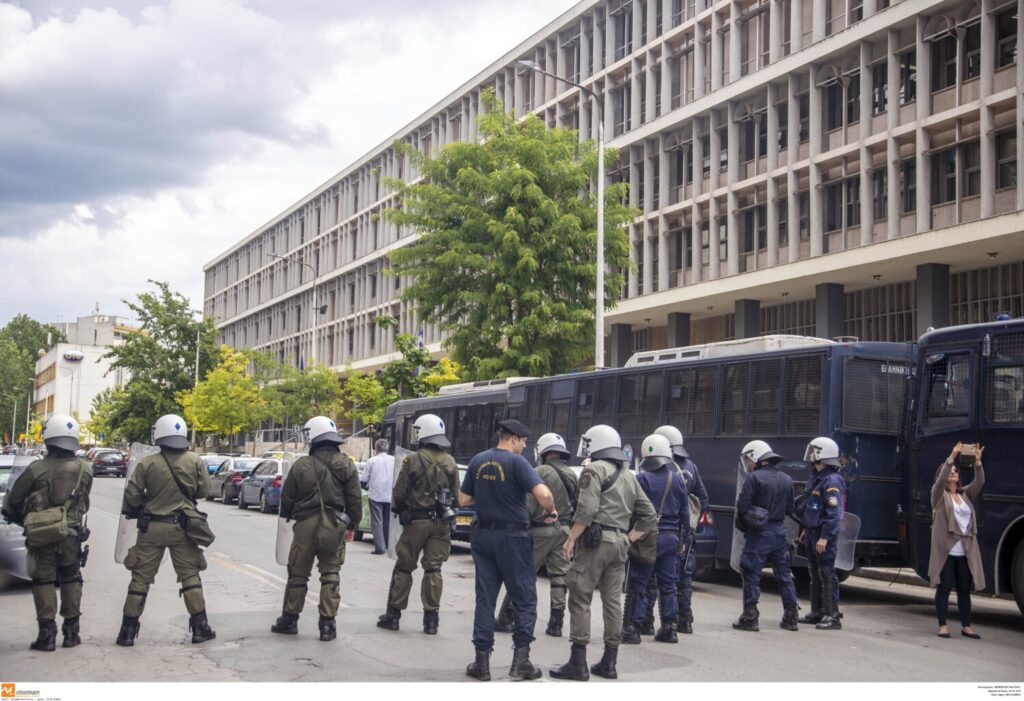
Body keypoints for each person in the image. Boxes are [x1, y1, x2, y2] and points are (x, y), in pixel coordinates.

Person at [549, 425, 657, 682]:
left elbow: (586, 510)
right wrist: (628, 538)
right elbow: (649, 515)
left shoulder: (593, 469)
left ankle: (578, 661)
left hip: (596, 543)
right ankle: (609, 661)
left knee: (579, 595)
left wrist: (571, 539)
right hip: (620, 543)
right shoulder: (629, 475)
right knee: (612, 602)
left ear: (596, 444)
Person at [461, 419, 555, 682]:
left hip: (483, 536)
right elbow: (544, 496)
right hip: (513, 538)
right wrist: (551, 509)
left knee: (485, 599)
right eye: (523, 440)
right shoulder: (517, 463)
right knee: (525, 599)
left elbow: (464, 499)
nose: (525, 445)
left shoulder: (478, 460)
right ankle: (521, 663)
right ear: (513, 438)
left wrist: (491, 496)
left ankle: (482, 664)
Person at [116, 414, 216, 646]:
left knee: (140, 578)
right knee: (190, 576)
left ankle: (127, 632)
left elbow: (131, 496)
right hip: (183, 528)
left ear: (159, 434)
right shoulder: (195, 460)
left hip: (152, 528)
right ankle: (200, 628)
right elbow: (203, 492)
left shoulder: (147, 462)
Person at [2, 415, 93, 651]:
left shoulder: (37, 468)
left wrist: (23, 519)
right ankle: (72, 633)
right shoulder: (86, 468)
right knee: (72, 579)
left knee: (43, 581)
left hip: (42, 535)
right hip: (71, 534)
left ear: (49, 438)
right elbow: (84, 500)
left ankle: (47, 635)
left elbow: (13, 501)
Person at [271, 416, 363, 641]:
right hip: (334, 525)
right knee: (331, 572)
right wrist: (351, 525)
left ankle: (290, 620)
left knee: (298, 573)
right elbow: (355, 500)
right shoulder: (346, 464)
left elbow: (287, 498)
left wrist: (287, 519)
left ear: (312, 437)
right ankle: (327, 625)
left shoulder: (301, 465)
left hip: (305, 525)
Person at [377, 413, 459, 635]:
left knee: (404, 567)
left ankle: (393, 616)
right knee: (434, 569)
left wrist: (399, 510)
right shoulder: (450, 461)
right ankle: (431, 621)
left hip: (416, 522)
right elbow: (456, 497)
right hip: (440, 523)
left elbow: (400, 492)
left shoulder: (412, 460)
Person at [493, 431, 577, 639]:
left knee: (522, 573)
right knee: (559, 576)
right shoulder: (572, 474)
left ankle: (507, 617)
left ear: (544, 451)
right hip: (564, 530)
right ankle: (556, 623)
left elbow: (528, 503)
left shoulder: (540, 471)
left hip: (540, 530)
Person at [622, 433, 689, 645]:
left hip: (647, 538)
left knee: (639, 582)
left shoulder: (641, 479)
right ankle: (670, 628)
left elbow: (632, 510)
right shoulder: (677, 479)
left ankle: (633, 628)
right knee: (669, 583)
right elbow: (685, 515)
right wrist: (683, 539)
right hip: (671, 538)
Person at [645, 424, 708, 635]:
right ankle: (684, 621)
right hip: (684, 533)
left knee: (655, 579)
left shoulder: (662, 469)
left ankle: (647, 621)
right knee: (683, 578)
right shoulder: (691, 467)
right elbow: (703, 498)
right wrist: (689, 523)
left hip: (660, 531)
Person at [732, 439, 799, 633]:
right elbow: (790, 509)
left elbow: (742, 507)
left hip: (758, 534)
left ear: (755, 457)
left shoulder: (754, 479)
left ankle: (750, 616)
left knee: (751, 573)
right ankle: (791, 616)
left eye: (748, 459)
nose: (748, 465)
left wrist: (750, 524)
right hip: (779, 533)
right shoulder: (787, 479)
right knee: (784, 575)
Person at [930, 442, 985, 640]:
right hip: (947, 550)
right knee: (944, 587)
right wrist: (951, 456)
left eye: (955, 471)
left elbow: (979, 482)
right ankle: (942, 625)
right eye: (950, 472)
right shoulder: (938, 496)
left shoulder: (965, 495)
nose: (953, 473)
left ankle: (966, 626)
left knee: (964, 589)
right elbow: (941, 479)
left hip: (965, 551)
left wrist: (977, 462)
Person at [796, 436, 847, 630]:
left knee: (827, 573)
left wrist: (825, 536)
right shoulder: (815, 477)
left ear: (822, 455)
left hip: (823, 535)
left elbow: (834, 514)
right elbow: (811, 507)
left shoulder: (832, 480)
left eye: (813, 451)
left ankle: (832, 614)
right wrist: (805, 530)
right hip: (811, 532)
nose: (810, 454)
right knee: (814, 573)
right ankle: (817, 611)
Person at [362, 438, 395, 555]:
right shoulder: (394, 460)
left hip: (375, 495)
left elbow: (364, 479)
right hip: (390, 495)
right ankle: (388, 544)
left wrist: (366, 485)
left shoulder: (372, 461)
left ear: (376, 449)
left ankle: (380, 548)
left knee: (377, 521)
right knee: (388, 521)